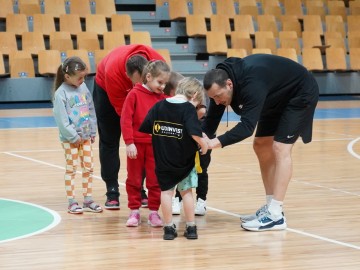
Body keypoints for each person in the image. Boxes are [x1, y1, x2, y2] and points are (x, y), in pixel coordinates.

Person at [202, 55, 319, 231]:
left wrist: (214, 143)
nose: (217, 102)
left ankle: (276, 215)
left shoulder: (251, 83)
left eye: (218, 96)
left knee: (280, 148)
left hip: (299, 93)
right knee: (261, 144)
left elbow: (247, 127)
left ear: (229, 84)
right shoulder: (220, 88)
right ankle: (270, 206)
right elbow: (210, 122)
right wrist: (198, 139)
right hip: (275, 97)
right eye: (213, 98)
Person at [93, 44, 165, 209]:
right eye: (135, 82)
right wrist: (131, 139)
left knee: (144, 140)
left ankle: (140, 189)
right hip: (106, 89)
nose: (138, 87)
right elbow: (125, 115)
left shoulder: (159, 64)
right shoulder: (114, 73)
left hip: (144, 91)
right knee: (109, 139)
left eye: (142, 82)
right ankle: (112, 190)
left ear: (149, 74)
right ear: (127, 75)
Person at [139, 77, 208, 240]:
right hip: (185, 161)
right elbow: (194, 133)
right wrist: (204, 145)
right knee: (187, 193)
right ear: (195, 94)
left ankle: (168, 228)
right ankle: (191, 227)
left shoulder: (159, 106)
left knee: (166, 193)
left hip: (163, 160)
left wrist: (165, 137)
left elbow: (148, 127)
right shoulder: (188, 109)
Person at [121, 60, 170, 227]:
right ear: (148, 77)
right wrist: (129, 142)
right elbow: (125, 119)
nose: (163, 86)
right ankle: (134, 211)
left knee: (155, 180)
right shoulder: (134, 94)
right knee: (134, 179)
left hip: (155, 147)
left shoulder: (162, 99)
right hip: (136, 146)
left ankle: (153, 212)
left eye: (165, 83)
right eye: (160, 82)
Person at [53, 56, 102, 214]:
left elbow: (91, 109)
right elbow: (62, 121)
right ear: (67, 76)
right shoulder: (60, 94)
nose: (83, 80)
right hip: (70, 140)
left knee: (89, 168)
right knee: (72, 168)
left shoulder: (84, 88)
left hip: (86, 138)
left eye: (85, 77)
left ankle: (88, 199)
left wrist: (92, 130)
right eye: (80, 77)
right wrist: (74, 137)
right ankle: (72, 201)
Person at [164, 72, 210, 216]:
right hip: (182, 144)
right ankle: (176, 200)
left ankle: (201, 201)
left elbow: (201, 112)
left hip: (199, 140)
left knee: (202, 171)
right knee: (181, 173)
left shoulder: (197, 105)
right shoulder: (172, 103)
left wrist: (203, 143)